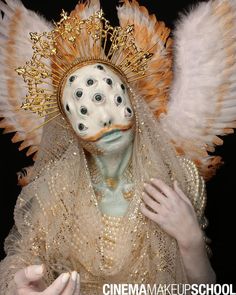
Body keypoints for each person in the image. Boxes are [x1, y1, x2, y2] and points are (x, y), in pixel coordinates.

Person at [1, 0, 236, 293]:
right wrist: (17, 286)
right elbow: (20, 260)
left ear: (132, 102)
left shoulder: (178, 178)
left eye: (112, 97)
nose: (105, 119)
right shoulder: (55, 191)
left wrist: (191, 241)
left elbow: (206, 289)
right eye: (83, 110)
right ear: (69, 125)